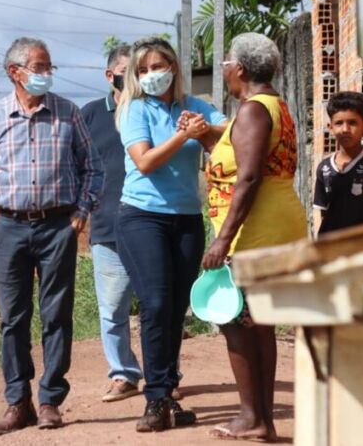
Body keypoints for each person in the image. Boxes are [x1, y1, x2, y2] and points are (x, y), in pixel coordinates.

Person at [0, 37, 104, 435]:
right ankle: (18, 402)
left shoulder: (68, 113)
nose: (47, 73)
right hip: (11, 227)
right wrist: (6, 204)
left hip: (57, 227)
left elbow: (93, 169)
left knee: (56, 315)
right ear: (15, 72)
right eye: (40, 66)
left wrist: (81, 212)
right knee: (12, 318)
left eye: (49, 67)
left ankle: (50, 400)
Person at [115, 36, 227, 433]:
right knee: (156, 303)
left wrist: (204, 131)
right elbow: (144, 161)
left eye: (158, 67)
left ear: (174, 68)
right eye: (143, 70)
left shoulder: (195, 107)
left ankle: (169, 387)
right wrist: (184, 136)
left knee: (178, 306)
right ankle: (156, 398)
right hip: (141, 217)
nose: (151, 76)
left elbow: (225, 139)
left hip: (185, 218)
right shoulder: (134, 109)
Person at [202, 33, 307, 441]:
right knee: (257, 322)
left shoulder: (252, 111)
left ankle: (252, 417)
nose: (225, 69)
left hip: (256, 229)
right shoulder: (272, 106)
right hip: (272, 222)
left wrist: (221, 241)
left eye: (227, 63)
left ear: (240, 69)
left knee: (236, 320)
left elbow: (247, 177)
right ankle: (261, 418)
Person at [80, 45, 144, 402]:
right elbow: (76, 166)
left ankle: (167, 374)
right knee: (113, 308)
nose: (134, 74)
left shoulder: (150, 110)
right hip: (107, 226)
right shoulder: (89, 115)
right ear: (110, 76)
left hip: (151, 223)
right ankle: (124, 374)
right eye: (126, 69)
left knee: (156, 305)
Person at [313, 91, 363, 235]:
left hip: (361, 248)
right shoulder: (324, 168)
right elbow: (319, 210)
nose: (345, 130)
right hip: (330, 246)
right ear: (330, 127)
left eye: (352, 123)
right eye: (339, 123)